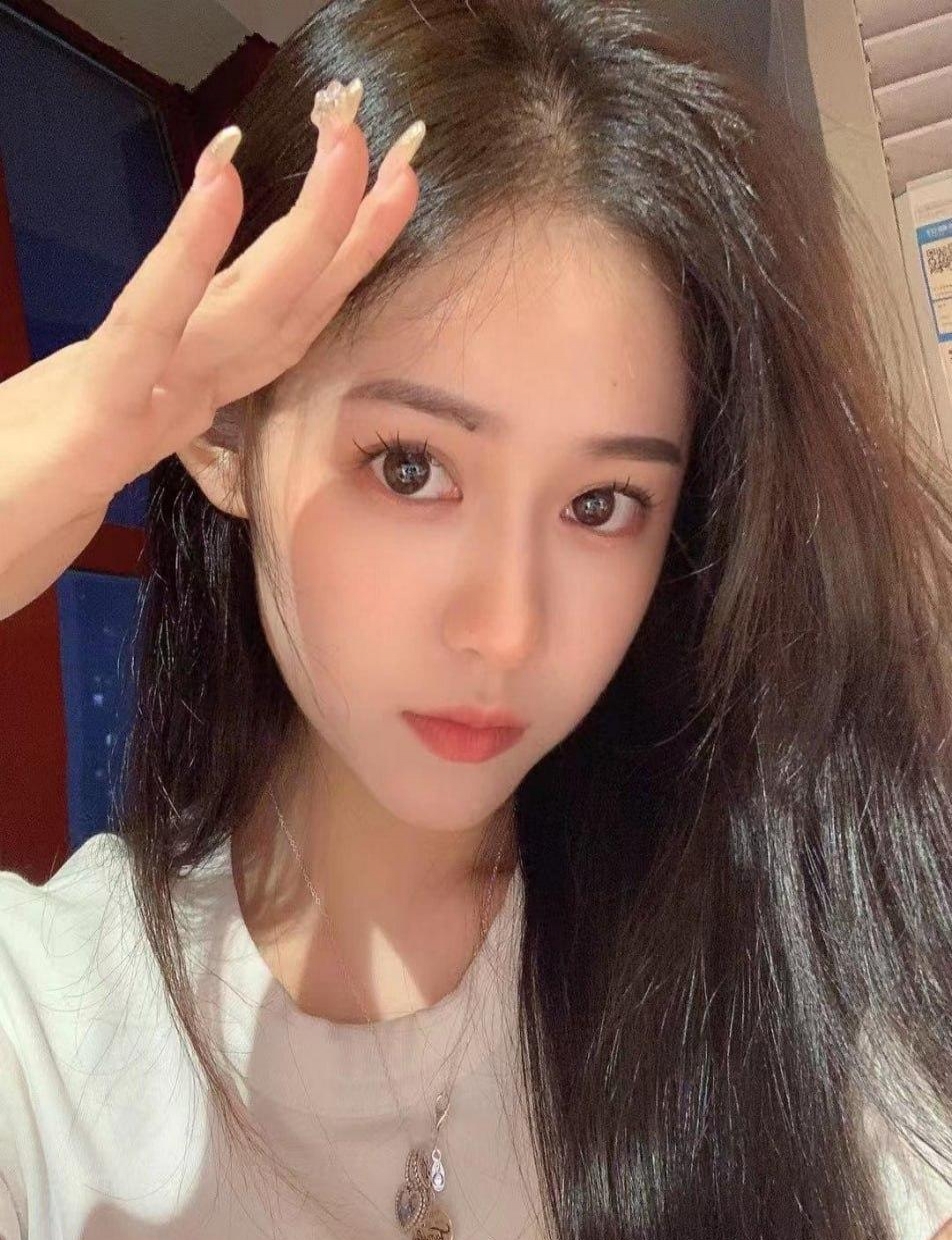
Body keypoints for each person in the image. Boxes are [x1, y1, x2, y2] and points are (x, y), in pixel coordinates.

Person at [1, 0, 951, 1237]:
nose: (506, 629)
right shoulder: (48, 1041)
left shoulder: (789, 967)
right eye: (410, 468)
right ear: (223, 432)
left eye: (601, 504)